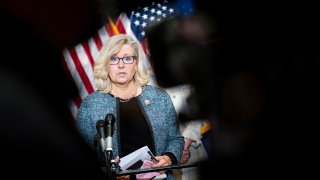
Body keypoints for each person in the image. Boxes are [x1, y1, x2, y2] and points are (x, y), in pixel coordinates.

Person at [76, 34, 184, 179]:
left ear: (136, 63)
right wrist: (106, 170)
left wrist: (169, 157)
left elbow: (175, 138)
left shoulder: (159, 97)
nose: (121, 65)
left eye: (127, 58)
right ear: (106, 64)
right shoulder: (90, 105)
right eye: (114, 59)